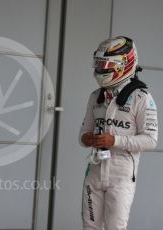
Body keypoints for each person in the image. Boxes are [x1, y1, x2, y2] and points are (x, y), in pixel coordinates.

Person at [80, 36, 158, 230]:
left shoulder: (141, 98)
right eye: (99, 64)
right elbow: (82, 134)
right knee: (90, 227)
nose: (101, 69)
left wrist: (114, 140)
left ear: (123, 64)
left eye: (106, 64)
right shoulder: (95, 96)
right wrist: (88, 138)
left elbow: (150, 140)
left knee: (116, 227)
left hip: (122, 176)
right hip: (95, 171)